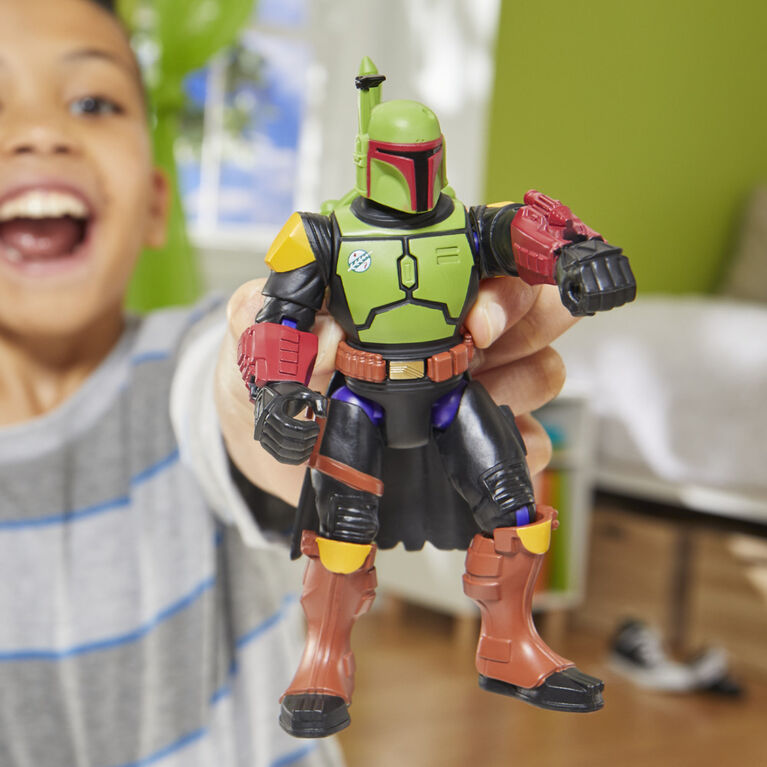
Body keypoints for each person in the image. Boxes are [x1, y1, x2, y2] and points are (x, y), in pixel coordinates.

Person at [0, 0, 580, 764]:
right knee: (340, 527)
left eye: (91, 103)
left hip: (451, 388)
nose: (40, 133)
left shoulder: (463, 225)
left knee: (515, 502)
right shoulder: (323, 232)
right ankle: (323, 659)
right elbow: (274, 322)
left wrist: (574, 251)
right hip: (358, 399)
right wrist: (271, 393)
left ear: (156, 202)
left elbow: (214, 377)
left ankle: (510, 641)